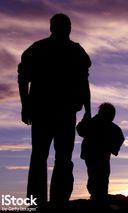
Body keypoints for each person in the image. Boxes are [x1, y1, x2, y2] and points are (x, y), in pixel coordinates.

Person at [17, 13, 91, 206]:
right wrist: (25, 106)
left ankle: (54, 203)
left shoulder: (71, 51)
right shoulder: (41, 49)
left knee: (57, 158)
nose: (66, 29)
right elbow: (23, 78)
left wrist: (88, 112)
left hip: (60, 112)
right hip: (47, 112)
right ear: (55, 28)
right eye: (64, 26)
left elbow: (84, 84)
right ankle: (41, 204)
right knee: (46, 157)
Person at [76, 102, 125, 202]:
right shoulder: (96, 123)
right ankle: (97, 197)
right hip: (94, 155)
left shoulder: (99, 124)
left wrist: (113, 148)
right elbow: (80, 130)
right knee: (98, 177)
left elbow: (80, 129)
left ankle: (98, 197)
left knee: (98, 177)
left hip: (97, 155)